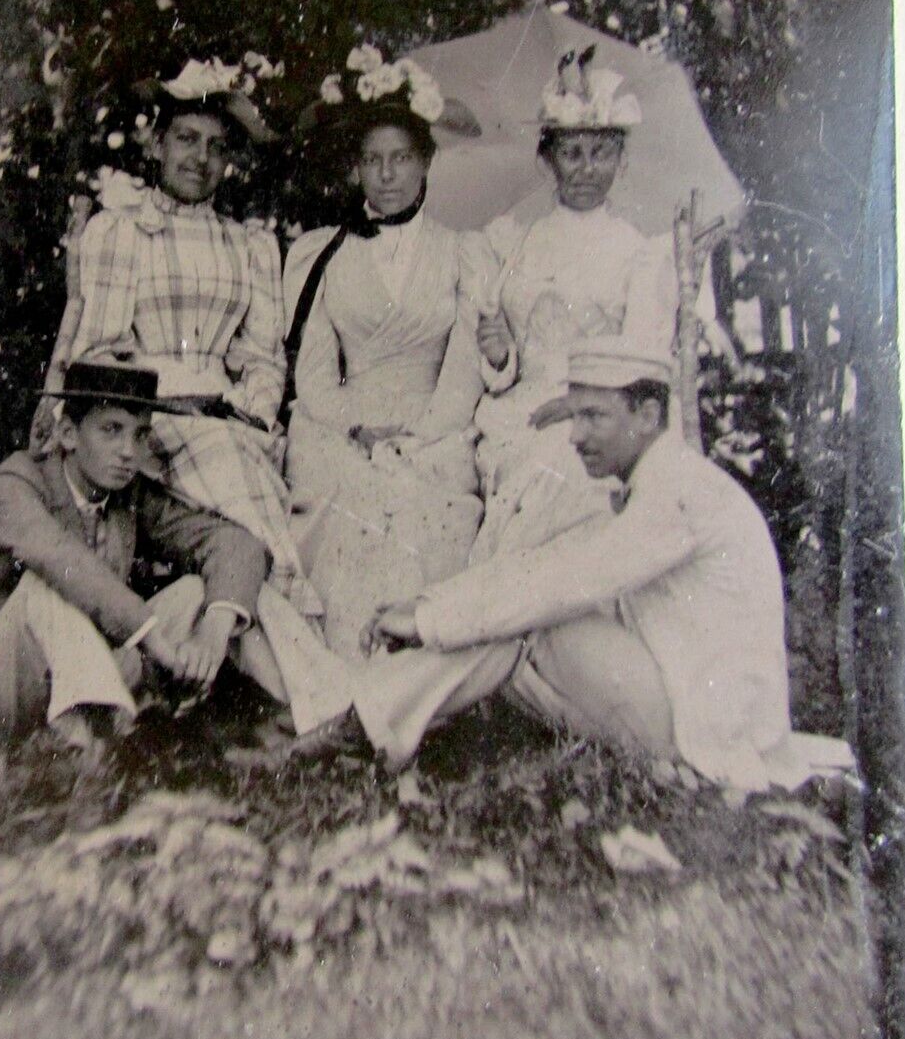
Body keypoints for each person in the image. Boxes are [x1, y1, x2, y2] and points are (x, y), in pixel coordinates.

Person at [357, 337, 855, 794]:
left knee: (535, 623)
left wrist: (425, 622)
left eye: (594, 416)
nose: (575, 435)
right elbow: (545, 565)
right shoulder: (658, 482)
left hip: (706, 730)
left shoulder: (679, 495)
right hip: (684, 701)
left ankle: (367, 725)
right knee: (514, 632)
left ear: (647, 413)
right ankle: (373, 719)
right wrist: (428, 606)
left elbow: (557, 587)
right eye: (574, 416)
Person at [67, 57, 322, 659]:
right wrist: (186, 394)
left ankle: (279, 661)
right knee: (232, 466)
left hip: (232, 421)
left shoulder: (250, 245)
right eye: (185, 139)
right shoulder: (121, 231)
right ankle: (307, 650)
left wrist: (254, 410)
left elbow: (262, 357)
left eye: (215, 146)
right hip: (146, 420)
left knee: (248, 459)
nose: (199, 158)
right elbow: (96, 353)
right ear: (156, 144)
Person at [0, 362, 269, 748]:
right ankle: (102, 746)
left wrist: (214, 634)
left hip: (80, 667)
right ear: (68, 434)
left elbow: (236, 544)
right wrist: (156, 643)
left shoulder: (127, 496)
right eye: (111, 430)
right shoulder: (16, 482)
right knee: (46, 586)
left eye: (140, 435)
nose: (128, 452)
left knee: (197, 592)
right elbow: (63, 560)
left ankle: (297, 716)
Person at [282, 46, 489, 661]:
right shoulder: (323, 252)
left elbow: (465, 368)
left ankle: (415, 669)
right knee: (353, 503)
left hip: (434, 422)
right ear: (355, 171)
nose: (387, 174)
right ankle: (347, 666)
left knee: (421, 500)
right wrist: (357, 428)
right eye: (372, 160)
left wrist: (423, 432)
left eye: (401, 158)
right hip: (343, 424)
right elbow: (313, 373)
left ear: (426, 163)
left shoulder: (461, 252)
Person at [471, 47, 678, 561]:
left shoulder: (639, 252)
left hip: (602, 410)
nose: (587, 169)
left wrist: (580, 404)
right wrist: (499, 357)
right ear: (547, 159)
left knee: (563, 471)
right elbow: (502, 364)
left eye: (601, 153)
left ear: (621, 160)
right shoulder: (514, 241)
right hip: (519, 410)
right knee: (523, 461)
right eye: (572, 153)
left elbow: (645, 358)